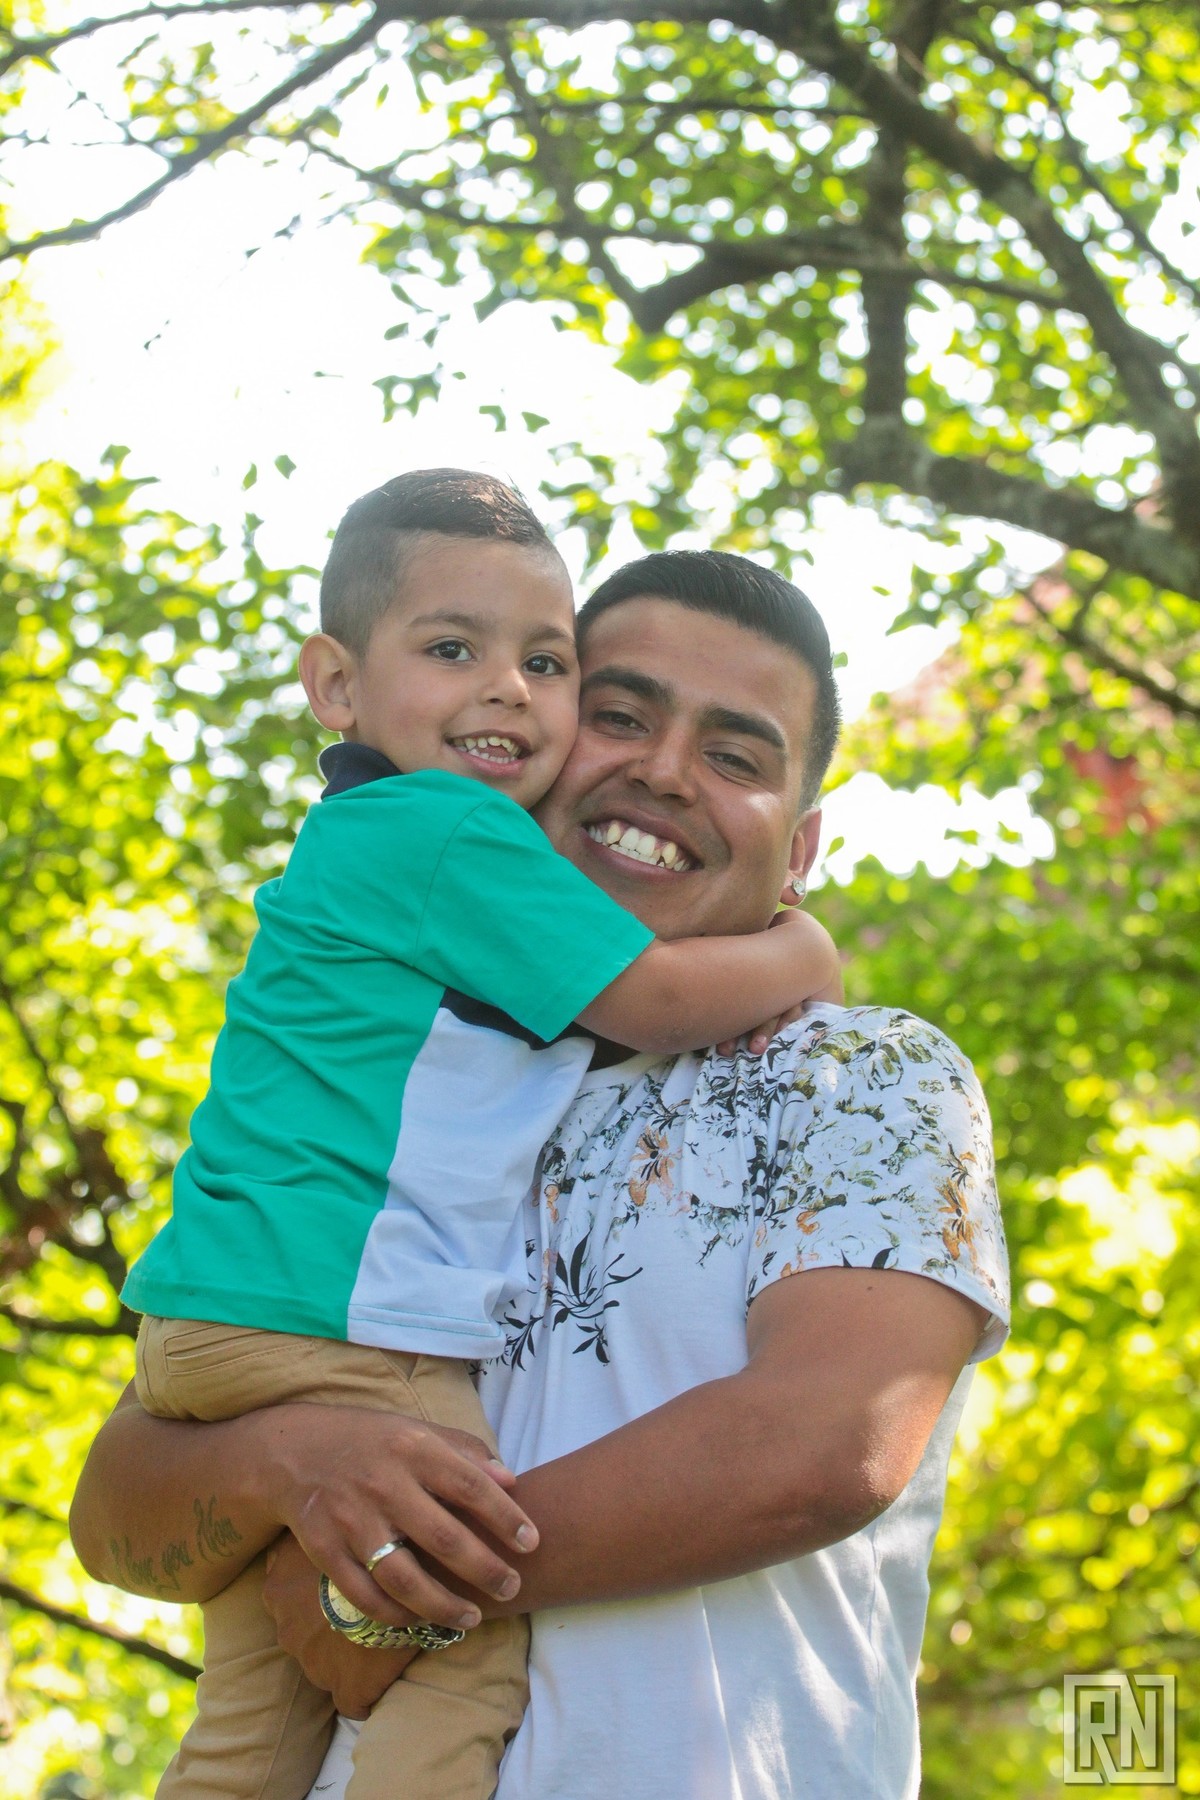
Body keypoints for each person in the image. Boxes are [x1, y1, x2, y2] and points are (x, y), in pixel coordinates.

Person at [72, 545, 1009, 1800]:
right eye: (618, 715)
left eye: (736, 757)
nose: (664, 771)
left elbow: (825, 1446)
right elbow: (113, 1511)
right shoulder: (413, 1079)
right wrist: (296, 1462)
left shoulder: (868, 1074)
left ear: (800, 853)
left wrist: (388, 1583)